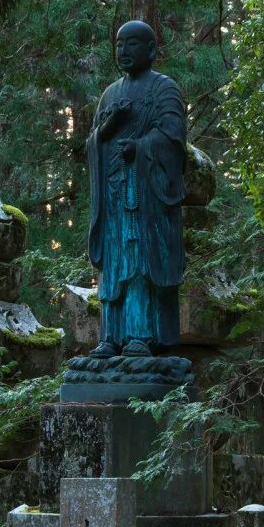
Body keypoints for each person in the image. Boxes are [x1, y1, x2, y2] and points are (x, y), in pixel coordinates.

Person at [87, 20, 187, 358]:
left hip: (146, 197)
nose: (123, 50)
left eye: (131, 44)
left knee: (140, 261)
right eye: (118, 44)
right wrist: (106, 129)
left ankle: (141, 334)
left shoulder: (164, 88)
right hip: (114, 197)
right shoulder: (110, 94)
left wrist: (140, 147)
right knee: (113, 266)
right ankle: (110, 337)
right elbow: (93, 141)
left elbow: (173, 136)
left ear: (151, 50)